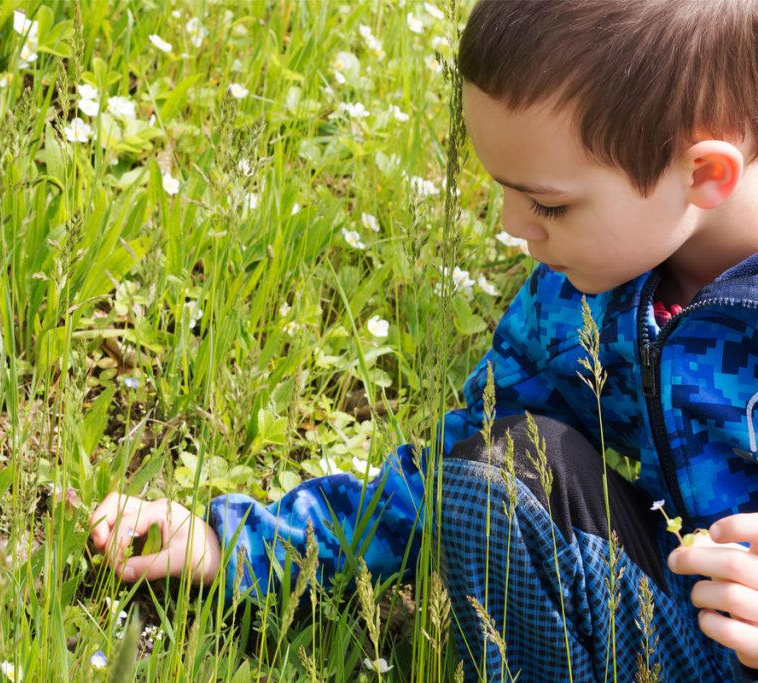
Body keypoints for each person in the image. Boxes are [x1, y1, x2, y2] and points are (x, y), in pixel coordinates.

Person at [89, 1, 758, 680]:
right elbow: (437, 482)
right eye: (505, 193)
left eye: (548, 204)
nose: (512, 225)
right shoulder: (576, 300)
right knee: (493, 473)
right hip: (659, 633)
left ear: (704, 174)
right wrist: (231, 544)